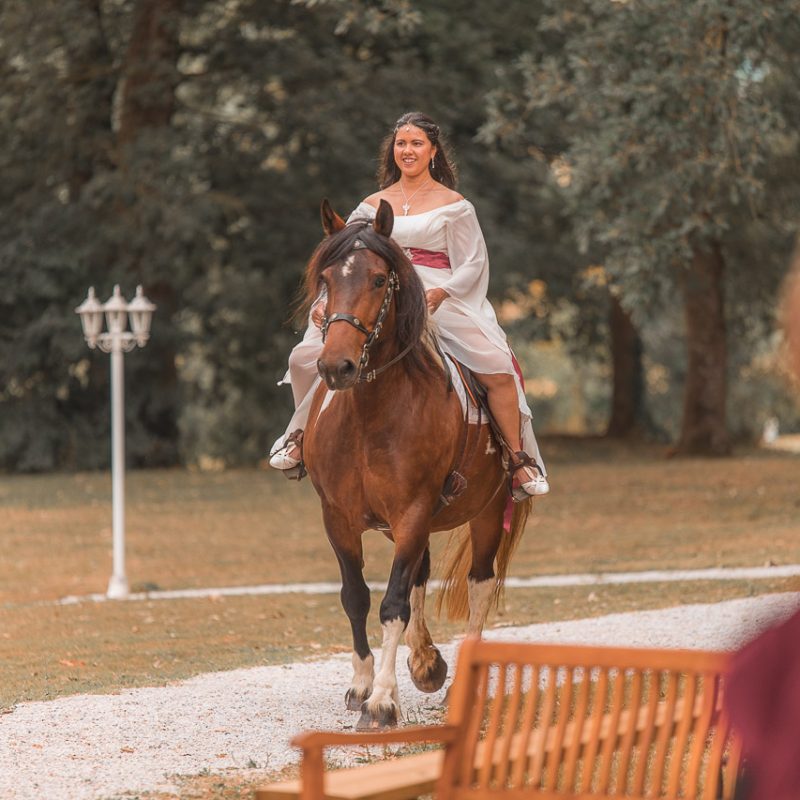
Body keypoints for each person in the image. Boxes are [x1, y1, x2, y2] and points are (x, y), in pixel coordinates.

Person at [269, 111, 549, 498]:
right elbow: (344, 259)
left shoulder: (455, 206)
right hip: (373, 291)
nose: (408, 150)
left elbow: (473, 263)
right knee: (303, 358)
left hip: (438, 293)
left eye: (416, 143)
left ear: (433, 150)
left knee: (498, 368)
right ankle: (300, 436)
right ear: (392, 151)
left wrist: (443, 292)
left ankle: (517, 458)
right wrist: (321, 300)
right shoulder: (369, 206)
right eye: (401, 143)